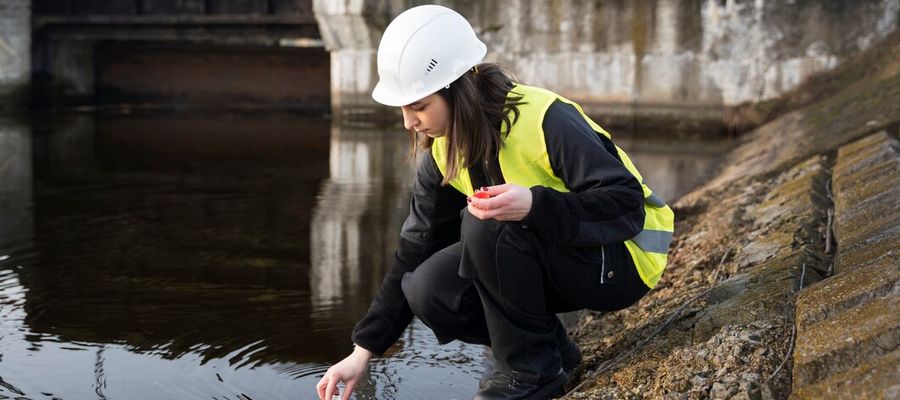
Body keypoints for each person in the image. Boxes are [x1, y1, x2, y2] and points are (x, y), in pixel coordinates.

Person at [316, 5, 674, 400]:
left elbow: (626, 205)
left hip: (623, 260)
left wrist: (536, 205)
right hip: (565, 256)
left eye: (419, 106)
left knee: (484, 223)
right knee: (427, 288)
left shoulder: (545, 119)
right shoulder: (443, 151)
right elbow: (413, 251)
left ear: (458, 88)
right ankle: (550, 350)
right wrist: (363, 350)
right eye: (403, 108)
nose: (408, 123)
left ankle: (529, 373)